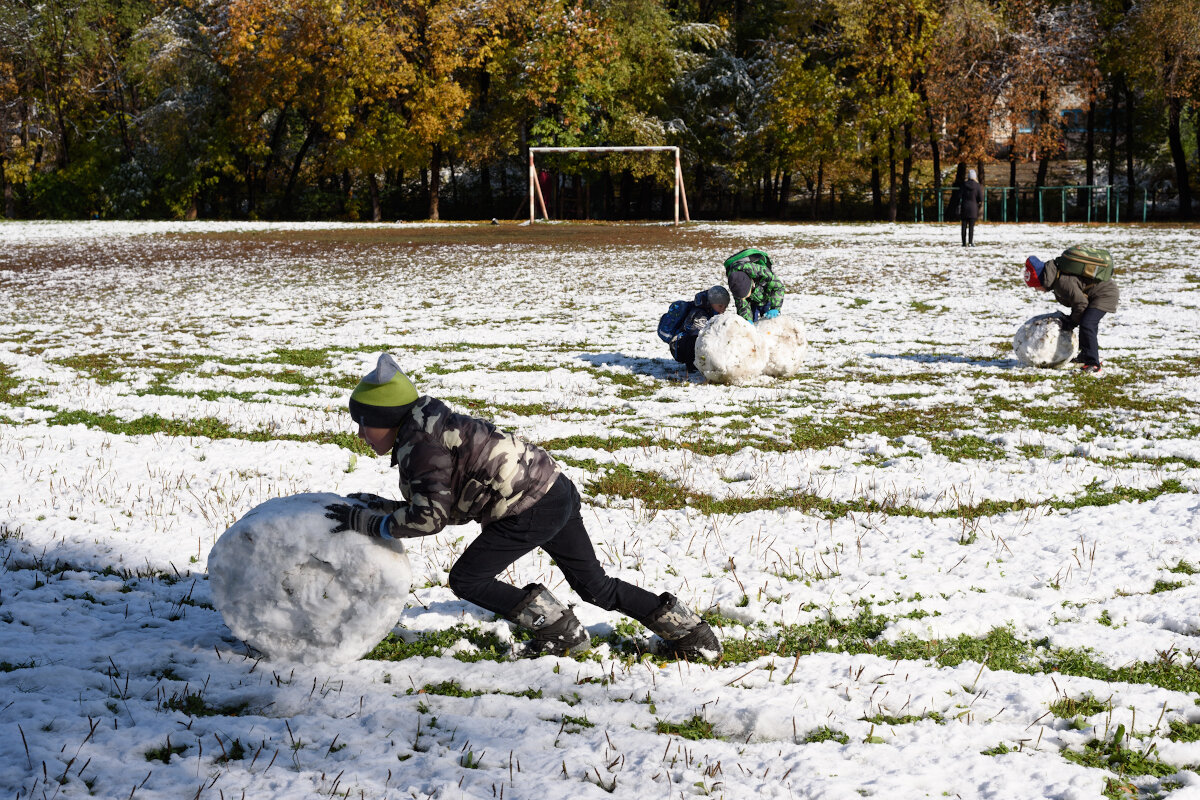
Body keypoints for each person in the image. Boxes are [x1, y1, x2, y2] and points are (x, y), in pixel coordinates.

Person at [323, 354, 723, 660]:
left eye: (363, 423)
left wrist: (369, 523)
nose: (360, 434)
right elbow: (447, 500)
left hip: (528, 508)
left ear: (386, 417)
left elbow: (431, 518)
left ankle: (560, 631)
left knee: (467, 579)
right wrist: (383, 507)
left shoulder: (421, 446)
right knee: (594, 586)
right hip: (554, 490)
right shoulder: (426, 427)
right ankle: (692, 634)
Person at [1023, 247, 1119, 374]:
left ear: (1041, 281)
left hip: (1104, 294)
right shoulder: (1057, 276)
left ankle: (1093, 363)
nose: (1037, 290)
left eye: (1036, 287)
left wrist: (1071, 323)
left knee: (1088, 324)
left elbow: (1081, 304)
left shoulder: (1062, 282)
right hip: (1096, 294)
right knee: (1087, 324)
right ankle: (1086, 355)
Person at [657, 285, 730, 372]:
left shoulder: (707, 311)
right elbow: (695, 337)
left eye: (725, 307)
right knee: (698, 339)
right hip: (680, 348)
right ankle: (692, 366)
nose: (722, 310)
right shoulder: (699, 315)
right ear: (711, 303)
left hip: (682, 346)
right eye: (720, 306)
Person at [723, 247, 784, 322]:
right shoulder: (736, 285)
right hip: (753, 301)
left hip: (766, 296)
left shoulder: (762, 272)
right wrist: (747, 320)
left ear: (751, 284)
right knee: (752, 322)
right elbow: (742, 305)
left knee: (770, 321)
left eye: (746, 295)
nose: (744, 298)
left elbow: (778, 287)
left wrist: (775, 308)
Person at [959, 169, 983, 247]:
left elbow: (959, 195)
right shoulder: (977, 185)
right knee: (971, 227)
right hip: (973, 208)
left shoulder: (964, 185)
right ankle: (970, 242)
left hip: (964, 207)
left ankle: (963, 243)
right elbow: (980, 198)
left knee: (963, 226)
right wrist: (978, 205)